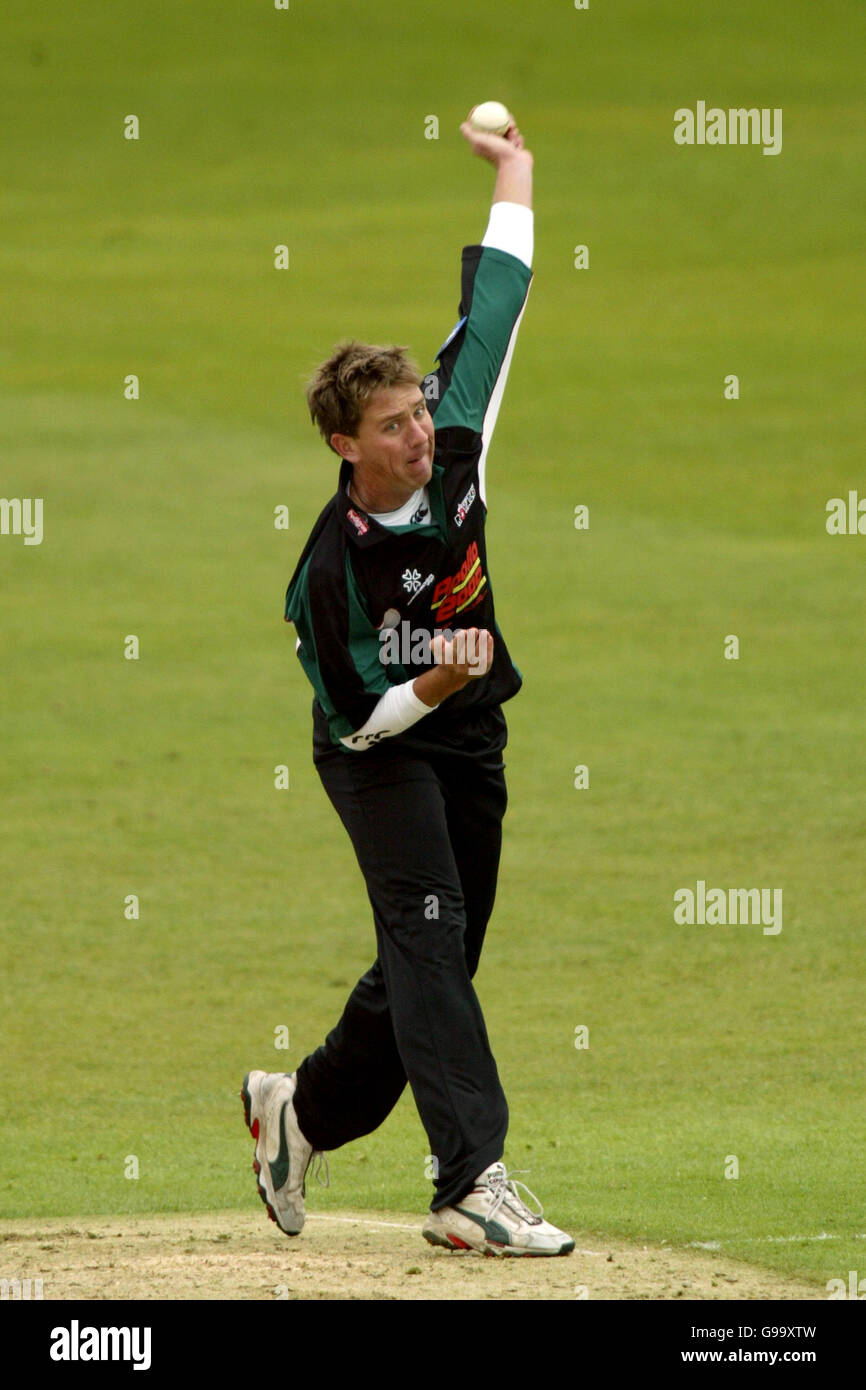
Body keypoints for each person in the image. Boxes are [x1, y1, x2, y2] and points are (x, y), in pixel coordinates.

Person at [241, 113, 574, 1257]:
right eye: (392, 426)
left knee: (438, 947)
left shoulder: (457, 429)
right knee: (429, 934)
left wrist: (513, 168)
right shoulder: (327, 575)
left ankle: (303, 1112)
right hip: (378, 750)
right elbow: (359, 717)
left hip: (469, 728)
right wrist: (433, 681)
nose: (419, 435)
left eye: (420, 412)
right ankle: (469, 1180)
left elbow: (500, 303)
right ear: (345, 444)